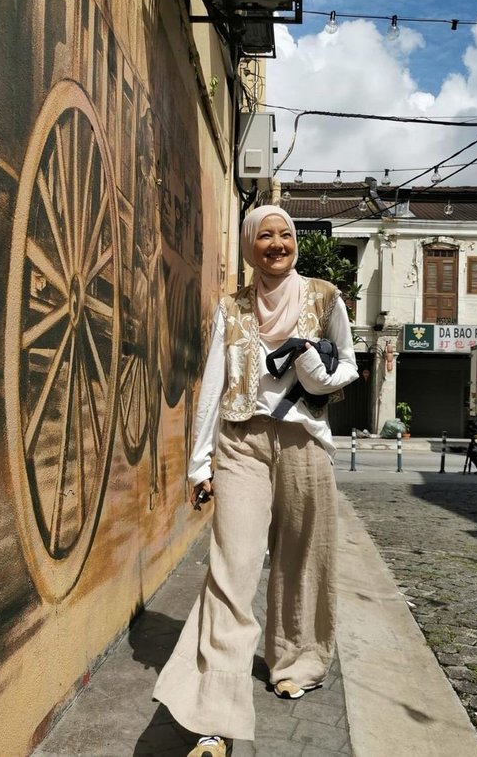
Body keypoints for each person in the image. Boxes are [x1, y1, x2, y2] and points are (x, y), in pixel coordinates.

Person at [153, 205, 358, 757]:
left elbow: (351, 367)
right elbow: (211, 384)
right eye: (264, 235)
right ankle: (213, 717)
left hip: (304, 442)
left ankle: (296, 660)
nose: (276, 244)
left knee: (303, 557)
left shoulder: (324, 295)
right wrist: (200, 465)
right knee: (232, 569)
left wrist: (316, 366)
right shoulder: (232, 307)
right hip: (240, 442)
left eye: (285, 234)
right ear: (249, 246)